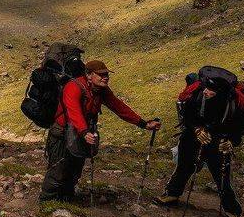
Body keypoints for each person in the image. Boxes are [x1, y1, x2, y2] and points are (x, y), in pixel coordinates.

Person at [40, 59, 162, 202]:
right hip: (62, 132)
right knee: (59, 167)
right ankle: (46, 202)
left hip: (81, 132)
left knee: (75, 168)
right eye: (101, 74)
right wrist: (85, 132)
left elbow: (118, 107)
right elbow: (74, 112)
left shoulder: (101, 90)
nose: (106, 77)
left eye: (107, 75)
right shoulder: (73, 87)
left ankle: (66, 198)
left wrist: (143, 123)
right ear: (89, 75)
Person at [154, 67, 244, 217]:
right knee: (185, 165)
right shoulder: (196, 95)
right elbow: (187, 116)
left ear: (220, 92)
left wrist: (231, 142)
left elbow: (239, 127)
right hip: (193, 135)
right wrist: (197, 130)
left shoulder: (234, 103)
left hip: (220, 138)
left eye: (210, 90)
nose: (206, 92)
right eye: (205, 88)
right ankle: (172, 194)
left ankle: (233, 211)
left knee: (222, 174)